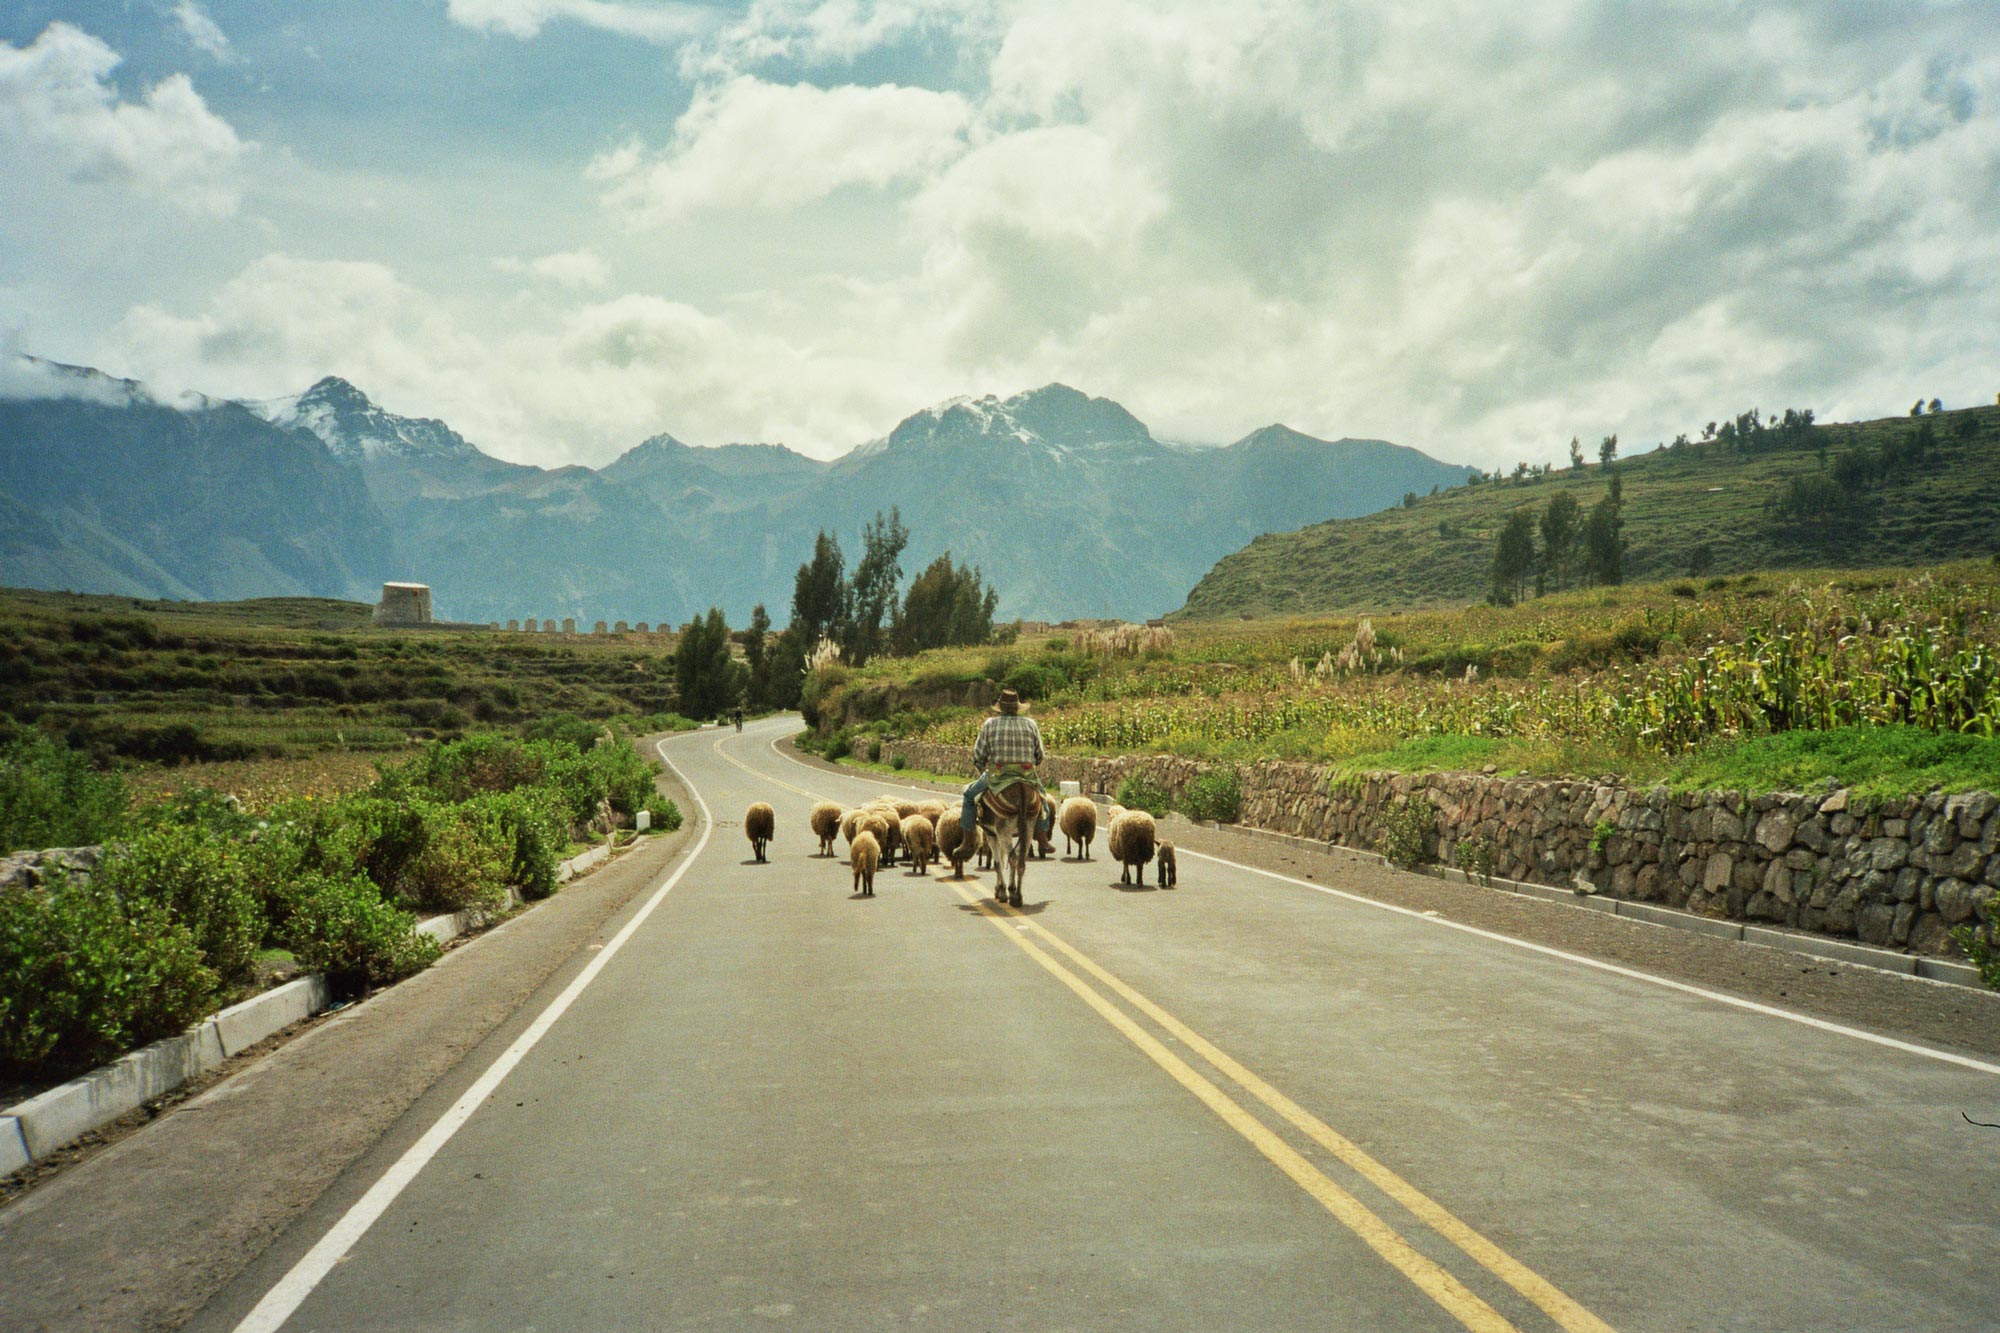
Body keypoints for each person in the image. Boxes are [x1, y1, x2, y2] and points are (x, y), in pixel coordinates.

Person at [963, 688, 1044, 832]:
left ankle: (967, 839)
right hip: (1025, 774)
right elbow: (1040, 754)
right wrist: (1029, 764)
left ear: (1000, 708)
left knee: (969, 796)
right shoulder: (1031, 724)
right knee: (1044, 800)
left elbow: (979, 754)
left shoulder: (990, 724)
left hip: (998, 773)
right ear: (1017, 708)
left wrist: (982, 768)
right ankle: (1042, 838)